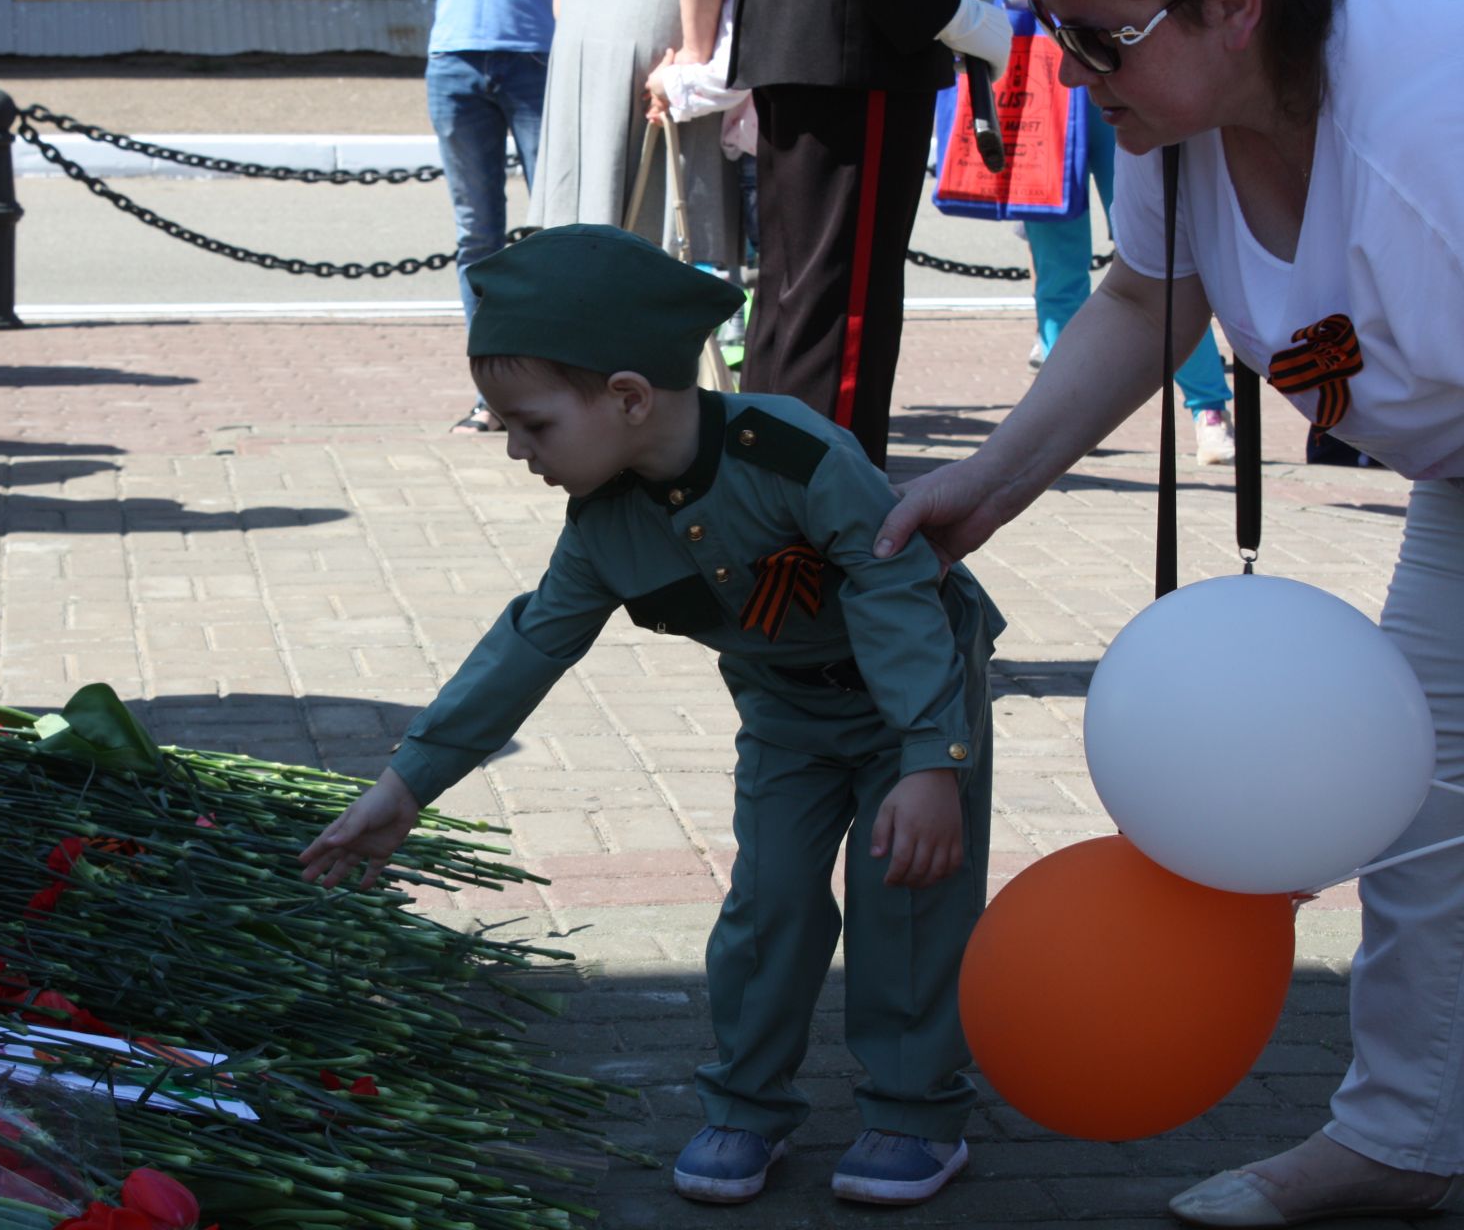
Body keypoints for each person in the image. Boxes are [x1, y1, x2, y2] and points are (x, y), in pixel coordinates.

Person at [875, 0, 1464, 1222]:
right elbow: (1152, 290)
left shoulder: (1433, 141)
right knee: (1429, 800)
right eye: (1049, 32)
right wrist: (991, 481)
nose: (1071, 77)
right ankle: (1407, 1136)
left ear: (1237, 5)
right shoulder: (1174, 109)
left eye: (1098, 40)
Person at [301, 224, 1003, 1207]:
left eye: (532, 424)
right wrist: (404, 786)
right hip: (788, 716)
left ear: (629, 397)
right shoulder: (604, 524)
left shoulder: (795, 454)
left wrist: (934, 761)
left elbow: (898, 597)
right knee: (770, 905)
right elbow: (528, 646)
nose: (514, 447)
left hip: (916, 705)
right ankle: (747, 1104)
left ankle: (915, 1112)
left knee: (912, 901)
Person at [727, 0, 1010, 469]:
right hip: (861, 23)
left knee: (795, 297)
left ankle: (768, 507)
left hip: (828, 18)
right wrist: (947, 10)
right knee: (839, 306)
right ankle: (816, 524)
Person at [1006, 0, 1236, 466]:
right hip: (1042, 77)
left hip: (1116, 63)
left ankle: (1208, 409)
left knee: (1165, 265)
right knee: (1057, 263)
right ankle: (1062, 417)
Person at [526, 0, 742, 272]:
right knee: (660, 239)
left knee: (586, 228)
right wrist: (693, 60)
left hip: (582, 5)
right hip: (659, 5)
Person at [428, 0, 554, 435]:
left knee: (558, 234)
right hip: (454, 53)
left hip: (537, 47)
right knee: (477, 240)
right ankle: (494, 395)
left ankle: (563, 385)